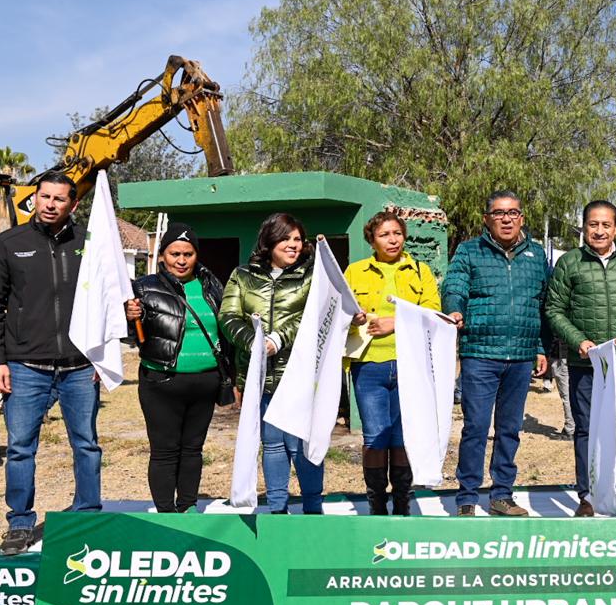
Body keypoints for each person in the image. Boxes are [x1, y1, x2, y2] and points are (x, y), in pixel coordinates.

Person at [0, 172, 102, 555]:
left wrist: (103, 356)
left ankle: (87, 515)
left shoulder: (89, 243)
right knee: (20, 448)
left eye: (59, 198)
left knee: (86, 445)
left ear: (73, 204)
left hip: (80, 366)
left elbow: (106, 299)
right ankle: (20, 524)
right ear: (34, 197)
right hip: (25, 366)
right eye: (44, 196)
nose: (50, 204)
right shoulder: (9, 244)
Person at [442, 191, 549, 517]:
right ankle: (467, 497)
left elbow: (542, 304)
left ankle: (502, 495)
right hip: (480, 354)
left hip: (520, 356)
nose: (506, 219)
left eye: (512, 212)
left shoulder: (536, 254)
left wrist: (540, 348)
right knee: (475, 428)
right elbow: (454, 286)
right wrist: (455, 309)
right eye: (499, 213)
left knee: (509, 430)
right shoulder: (469, 251)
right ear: (487, 219)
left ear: (521, 218)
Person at [546, 200, 616, 517]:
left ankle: (613, 491)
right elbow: (554, 310)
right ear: (584, 227)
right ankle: (588, 496)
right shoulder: (569, 263)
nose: (599, 231)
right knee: (585, 429)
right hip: (585, 364)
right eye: (593, 224)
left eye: (606, 225)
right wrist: (578, 341)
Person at [219, 212, 322, 515]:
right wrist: (253, 342)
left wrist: (278, 339)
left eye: (298, 239)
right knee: (273, 444)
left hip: (301, 376)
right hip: (261, 377)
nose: (293, 245)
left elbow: (315, 315)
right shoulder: (242, 275)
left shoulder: (314, 275)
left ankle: (313, 509)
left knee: (303, 445)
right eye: (285, 238)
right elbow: (228, 316)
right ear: (269, 240)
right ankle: (278, 509)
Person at [124, 223, 230, 513]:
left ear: (196, 256)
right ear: (162, 256)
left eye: (188, 254)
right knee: (165, 451)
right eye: (174, 254)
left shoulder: (212, 285)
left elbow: (224, 328)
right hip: (162, 382)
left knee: (193, 449)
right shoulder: (143, 287)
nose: (181, 260)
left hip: (205, 383)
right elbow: (130, 335)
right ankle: (166, 513)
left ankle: (188, 507)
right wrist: (129, 316)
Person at [344, 211, 441, 515]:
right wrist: (353, 318)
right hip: (368, 365)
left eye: (397, 233)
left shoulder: (420, 271)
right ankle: (376, 503)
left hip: (410, 365)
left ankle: (402, 502)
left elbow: (433, 313)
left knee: (402, 436)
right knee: (375, 436)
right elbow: (339, 312)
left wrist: (395, 322)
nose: (392, 239)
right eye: (384, 234)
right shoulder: (355, 272)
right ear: (371, 240)